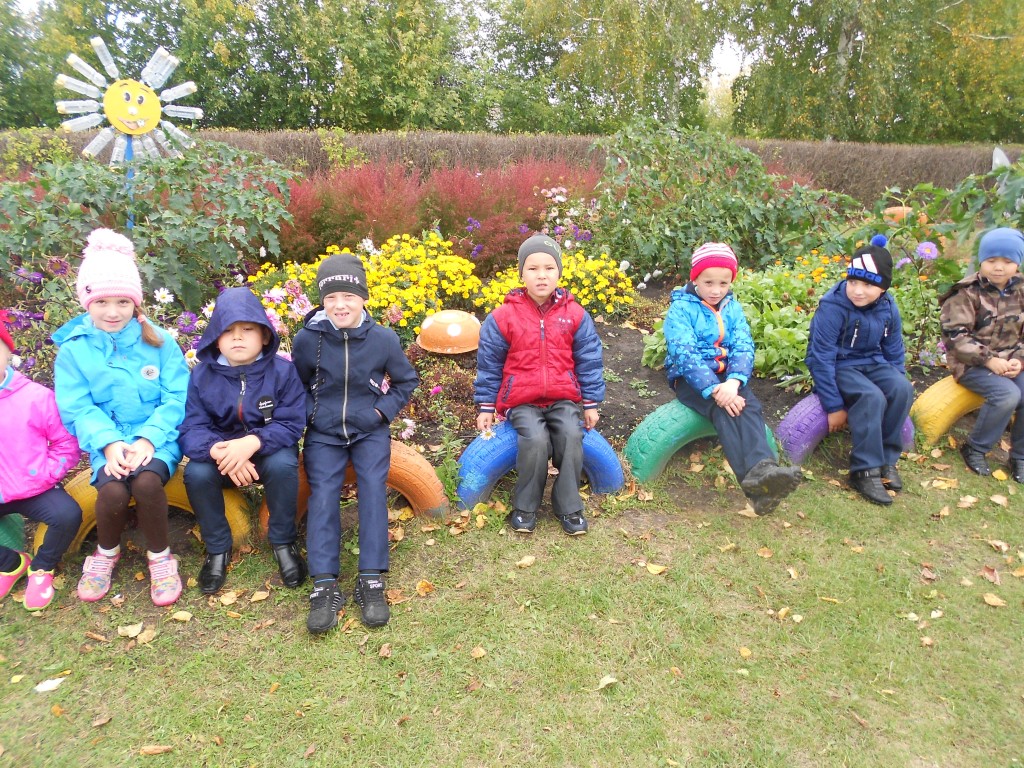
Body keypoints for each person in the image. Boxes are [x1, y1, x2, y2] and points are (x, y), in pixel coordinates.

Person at [53, 228, 190, 606]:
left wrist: (148, 438)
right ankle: (106, 553)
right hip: (108, 442)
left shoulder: (159, 341)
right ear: (87, 301)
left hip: (156, 440)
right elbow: (77, 406)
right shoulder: (73, 351)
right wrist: (110, 443)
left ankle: (160, 557)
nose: (112, 312)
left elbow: (176, 396)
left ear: (136, 302)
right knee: (112, 490)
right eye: (101, 302)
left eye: (122, 302)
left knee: (146, 483)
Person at [291, 253, 418, 634]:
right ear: (322, 301)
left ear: (363, 297)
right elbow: (296, 386)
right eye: (331, 297)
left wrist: (380, 413)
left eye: (348, 296)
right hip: (324, 433)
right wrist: (312, 416)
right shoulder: (307, 339)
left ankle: (371, 579)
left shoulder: (383, 339)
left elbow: (406, 381)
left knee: (373, 489)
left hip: (369, 429)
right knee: (323, 493)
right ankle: (324, 584)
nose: (340, 305)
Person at [179, 287, 307, 594]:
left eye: (247, 329)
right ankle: (217, 548)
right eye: (228, 330)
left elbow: (291, 423)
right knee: (196, 473)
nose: (237, 337)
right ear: (215, 338)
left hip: (266, 451)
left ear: (264, 335)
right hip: (221, 456)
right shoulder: (201, 376)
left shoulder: (283, 372)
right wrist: (219, 451)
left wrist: (250, 443)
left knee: (284, 464)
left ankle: (283, 541)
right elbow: (191, 428)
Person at [474, 234, 605, 535]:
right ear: (522, 273)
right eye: (533, 268)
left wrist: (590, 403)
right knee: (535, 440)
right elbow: (489, 364)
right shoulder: (503, 317)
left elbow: (589, 359)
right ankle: (525, 506)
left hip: (563, 399)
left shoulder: (574, 315)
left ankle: (569, 507)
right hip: (522, 401)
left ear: (559, 272)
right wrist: (486, 405)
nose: (541, 275)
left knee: (571, 435)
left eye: (549, 268)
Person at [665, 242, 801, 515]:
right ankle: (755, 486)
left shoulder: (732, 308)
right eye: (709, 282)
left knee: (749, 406)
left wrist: (734, 382)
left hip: (727, 377)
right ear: (695, 279)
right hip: (691, 379)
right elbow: (684, 353)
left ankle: (765, 470)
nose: (716, 290)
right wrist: (715, 390)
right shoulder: (680, 309)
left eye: (723, 283)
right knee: (725, 410)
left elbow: (743, 346)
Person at [806, 235, 914, 505]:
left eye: (867, 285)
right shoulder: (833, 306)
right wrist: (833, 405)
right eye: (853, 282)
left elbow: (893, 348)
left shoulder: (888, 306)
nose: (857, 291)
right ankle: (864, 470)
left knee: (901, 388)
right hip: (839, 365)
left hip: (872, 361)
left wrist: (896, 377)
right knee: (871, 397)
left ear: (883, 288)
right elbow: (821, 357)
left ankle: (887, 461)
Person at [0, 317, 83, 611]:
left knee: (67, 515)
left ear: (8, 352)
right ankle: (10, 563)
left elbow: (66, 443)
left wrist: (47, 473)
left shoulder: (36, 397)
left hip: (35, 486)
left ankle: (42, 567)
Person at [939, 227, 1024, 482]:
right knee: (1007, 395)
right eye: (991, 260)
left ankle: (1019, 456)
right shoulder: (966, 292)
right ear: (981, 260)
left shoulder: (1021, 290)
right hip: (971, 364)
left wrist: (1018, 359)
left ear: (1017, 263)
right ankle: (976, 447)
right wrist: (989, 360)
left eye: (1007, 261)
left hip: (1009, 361)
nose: (998, 267)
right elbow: (955, 336)